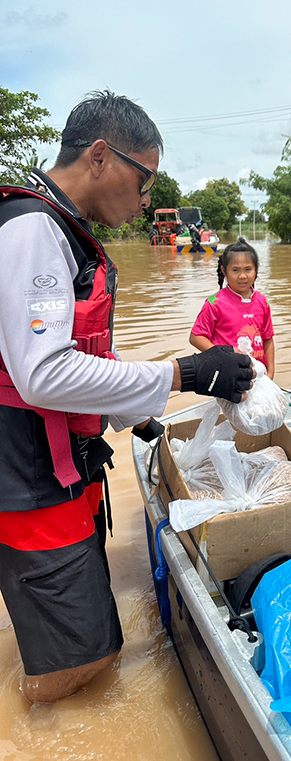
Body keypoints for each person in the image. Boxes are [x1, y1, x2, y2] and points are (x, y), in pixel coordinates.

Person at [0, 90, 254, 704]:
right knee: (81, 662)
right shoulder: (34, 229)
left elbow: (83, 360)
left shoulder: (65, 229)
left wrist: (134, 414)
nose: (145, 201)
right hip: (29, 479)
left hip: (61, 468)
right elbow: (40, 375)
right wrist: (185, 375)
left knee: (87, 641)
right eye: (144, 181)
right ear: (99, 157)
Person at [189, 237, 275, 378]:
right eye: (235, 270)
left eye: (248, 269)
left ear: (256, 270)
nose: (242, 276)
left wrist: (270, 373)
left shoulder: (262, 302)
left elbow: (268, 339)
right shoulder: (215, 303)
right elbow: (196, 337)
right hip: (228, 376)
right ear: (224, 271)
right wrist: (223, 355)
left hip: (259, 375)